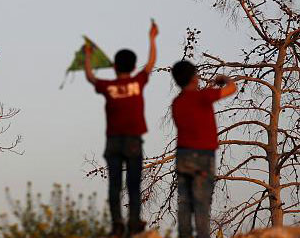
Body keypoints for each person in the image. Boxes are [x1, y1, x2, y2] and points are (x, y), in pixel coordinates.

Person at [83, 21, 158, 237]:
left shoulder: (109, 86)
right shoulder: (138, 81)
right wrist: (152, 38)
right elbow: (150, 64)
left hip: (113, 142)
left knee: (115, 185)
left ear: (114, 67)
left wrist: (88, 56)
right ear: (133, 67)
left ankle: (117, 224)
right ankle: (134, 222)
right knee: (133, 183)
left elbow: (90, 77)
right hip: (134, 141)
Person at [170, 60, 238, 238]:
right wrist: (225, 79)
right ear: (194, 78)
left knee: (184, 201)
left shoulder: (177, 102)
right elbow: (232, 89)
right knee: (201, 202)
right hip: (203, 155)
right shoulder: (203, 97)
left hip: (183, 154)